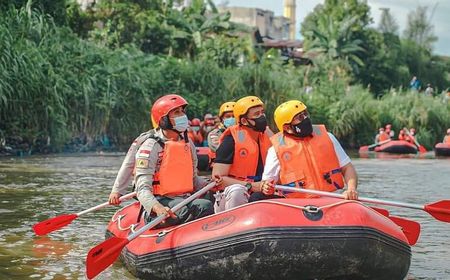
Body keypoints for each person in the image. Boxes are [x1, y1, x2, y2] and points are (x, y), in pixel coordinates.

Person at [132, 94, 217, 227]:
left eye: (182, 111)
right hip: (161, 202)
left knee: (212, 195)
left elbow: (193, 180)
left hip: (184, 199)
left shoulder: (188, 144)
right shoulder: (151, 146)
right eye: (176, 112)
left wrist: (210, 183)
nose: (182, 115)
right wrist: (157, 207)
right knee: (203, 206)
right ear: (164, 120)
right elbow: (142, 189)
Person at [249, 100, 358, 202]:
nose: (305, 118)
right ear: (287, 127)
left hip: (332, 198)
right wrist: (266, 187)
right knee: (256, 197)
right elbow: (267, 183)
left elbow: (347, 168)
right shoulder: (275, 151)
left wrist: (351, 189)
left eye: (305, 114)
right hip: (297, 203)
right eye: (300, 117)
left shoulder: (328, 137)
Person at [212, 96, 272, 213]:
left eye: (262, 113)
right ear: (244, 121)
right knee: (237, 192)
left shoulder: (267, 135)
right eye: (257, 114)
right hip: (234, 193)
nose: (262, 117)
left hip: (260, 190)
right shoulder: (231, 140)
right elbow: (218, 179)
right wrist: (252, 186)